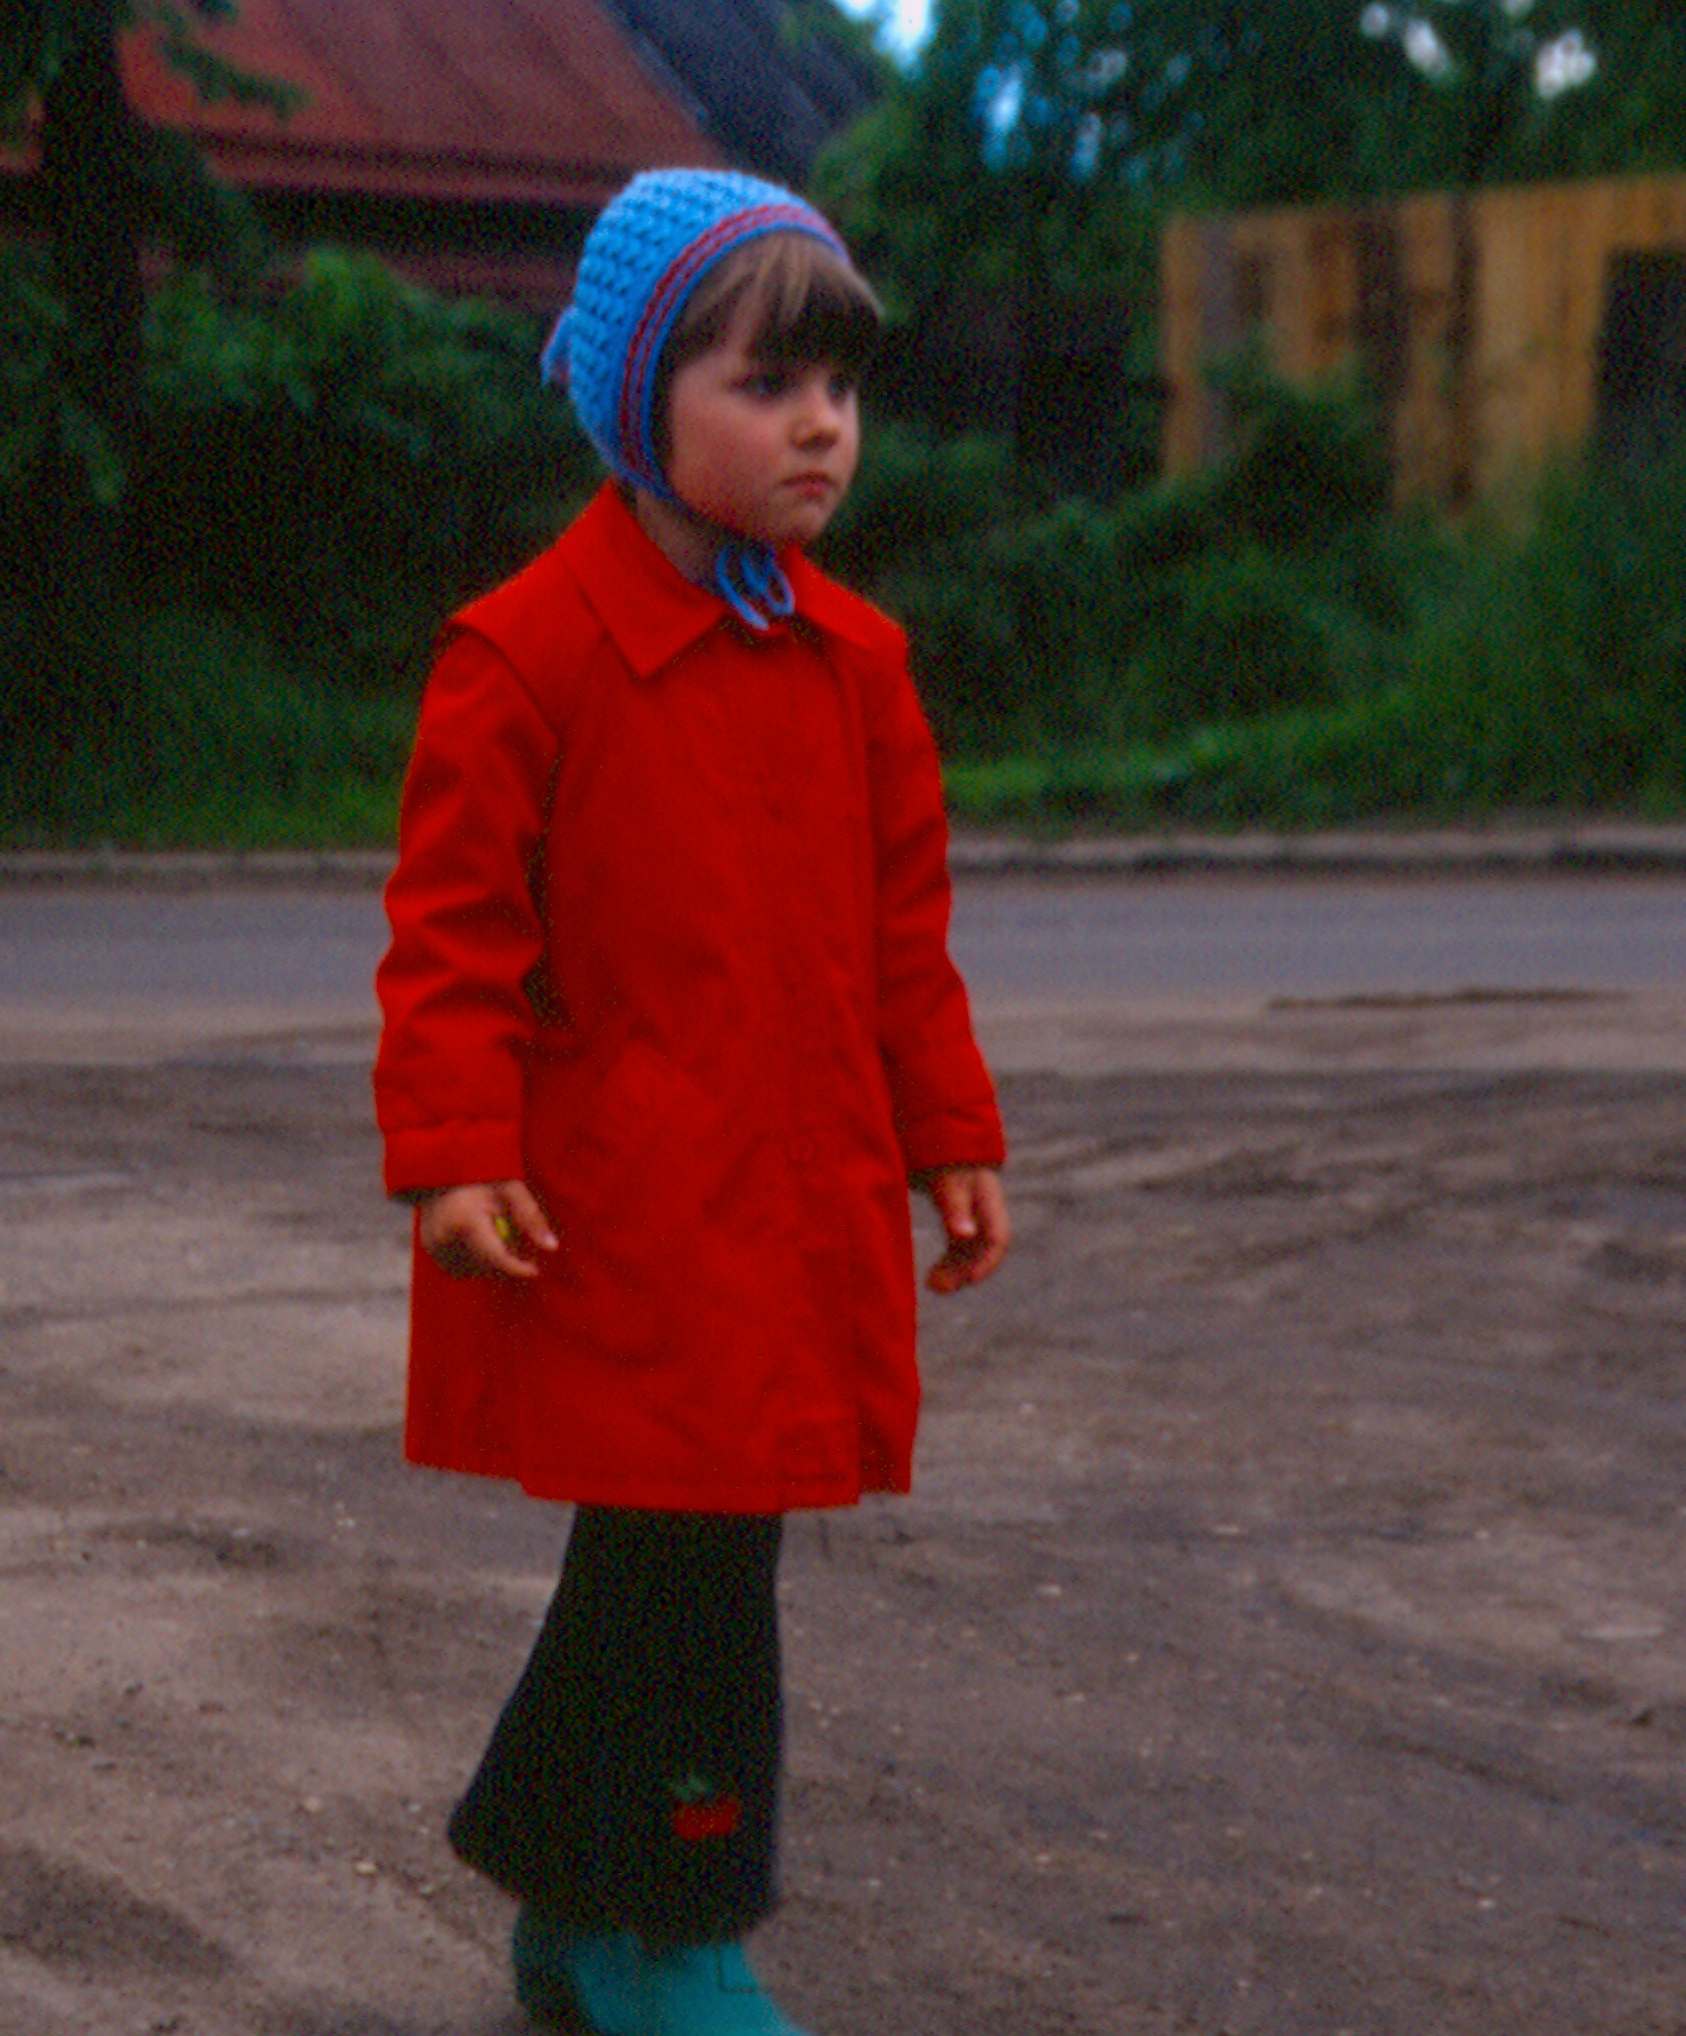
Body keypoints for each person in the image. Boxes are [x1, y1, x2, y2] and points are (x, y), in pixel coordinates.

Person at [372, 167, 1010, 2036]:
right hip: (623, 1219)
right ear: (635, 403)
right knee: (697, 1577)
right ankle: (672, 1939)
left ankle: (573, 1906)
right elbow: (449, 942)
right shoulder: (526, 656)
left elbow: (903, 941)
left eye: (842, 388)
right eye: (765, 384)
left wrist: (950, 1129)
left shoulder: (857, 665)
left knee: (666, 1560)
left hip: (794, 1209)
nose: (821, 426)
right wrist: (453, 1155)